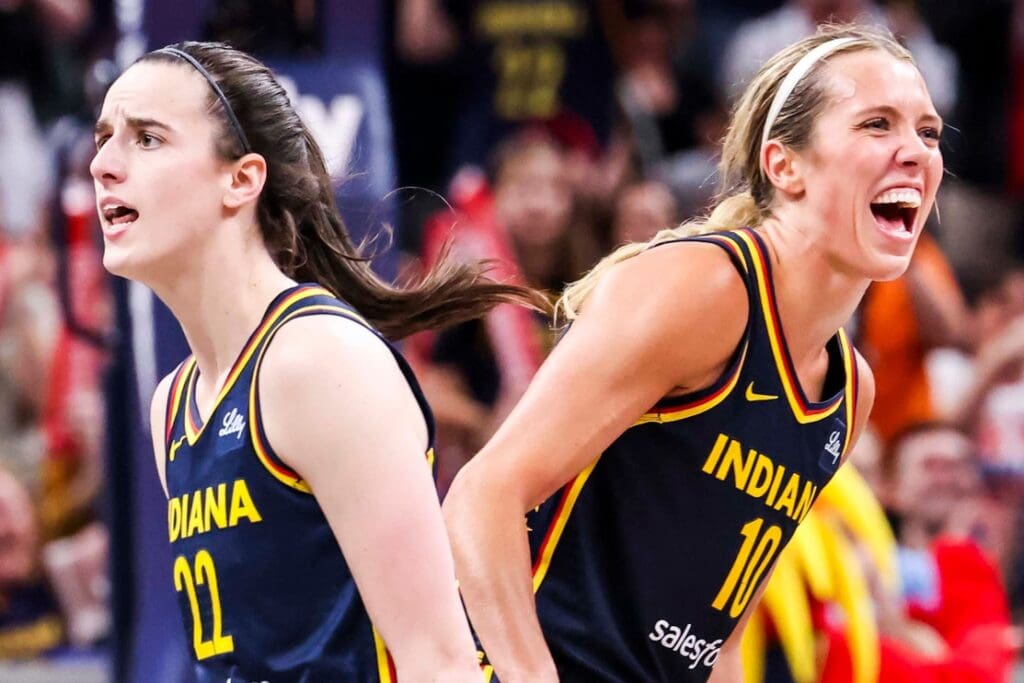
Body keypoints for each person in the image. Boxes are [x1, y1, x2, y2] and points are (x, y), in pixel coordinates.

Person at [443, 24, 944, 682]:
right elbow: (482, 496)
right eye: (877, 124)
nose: (914, 151)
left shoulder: (849, 390)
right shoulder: (709, 288)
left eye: (929, 132)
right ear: (783, 164)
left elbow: (720, 641)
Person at [89, 40, 540, 682]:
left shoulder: (316, 361)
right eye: (104, 137)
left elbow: (440, 663)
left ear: (242, 179)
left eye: (148, 139)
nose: (104, 163)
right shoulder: (175, 402)